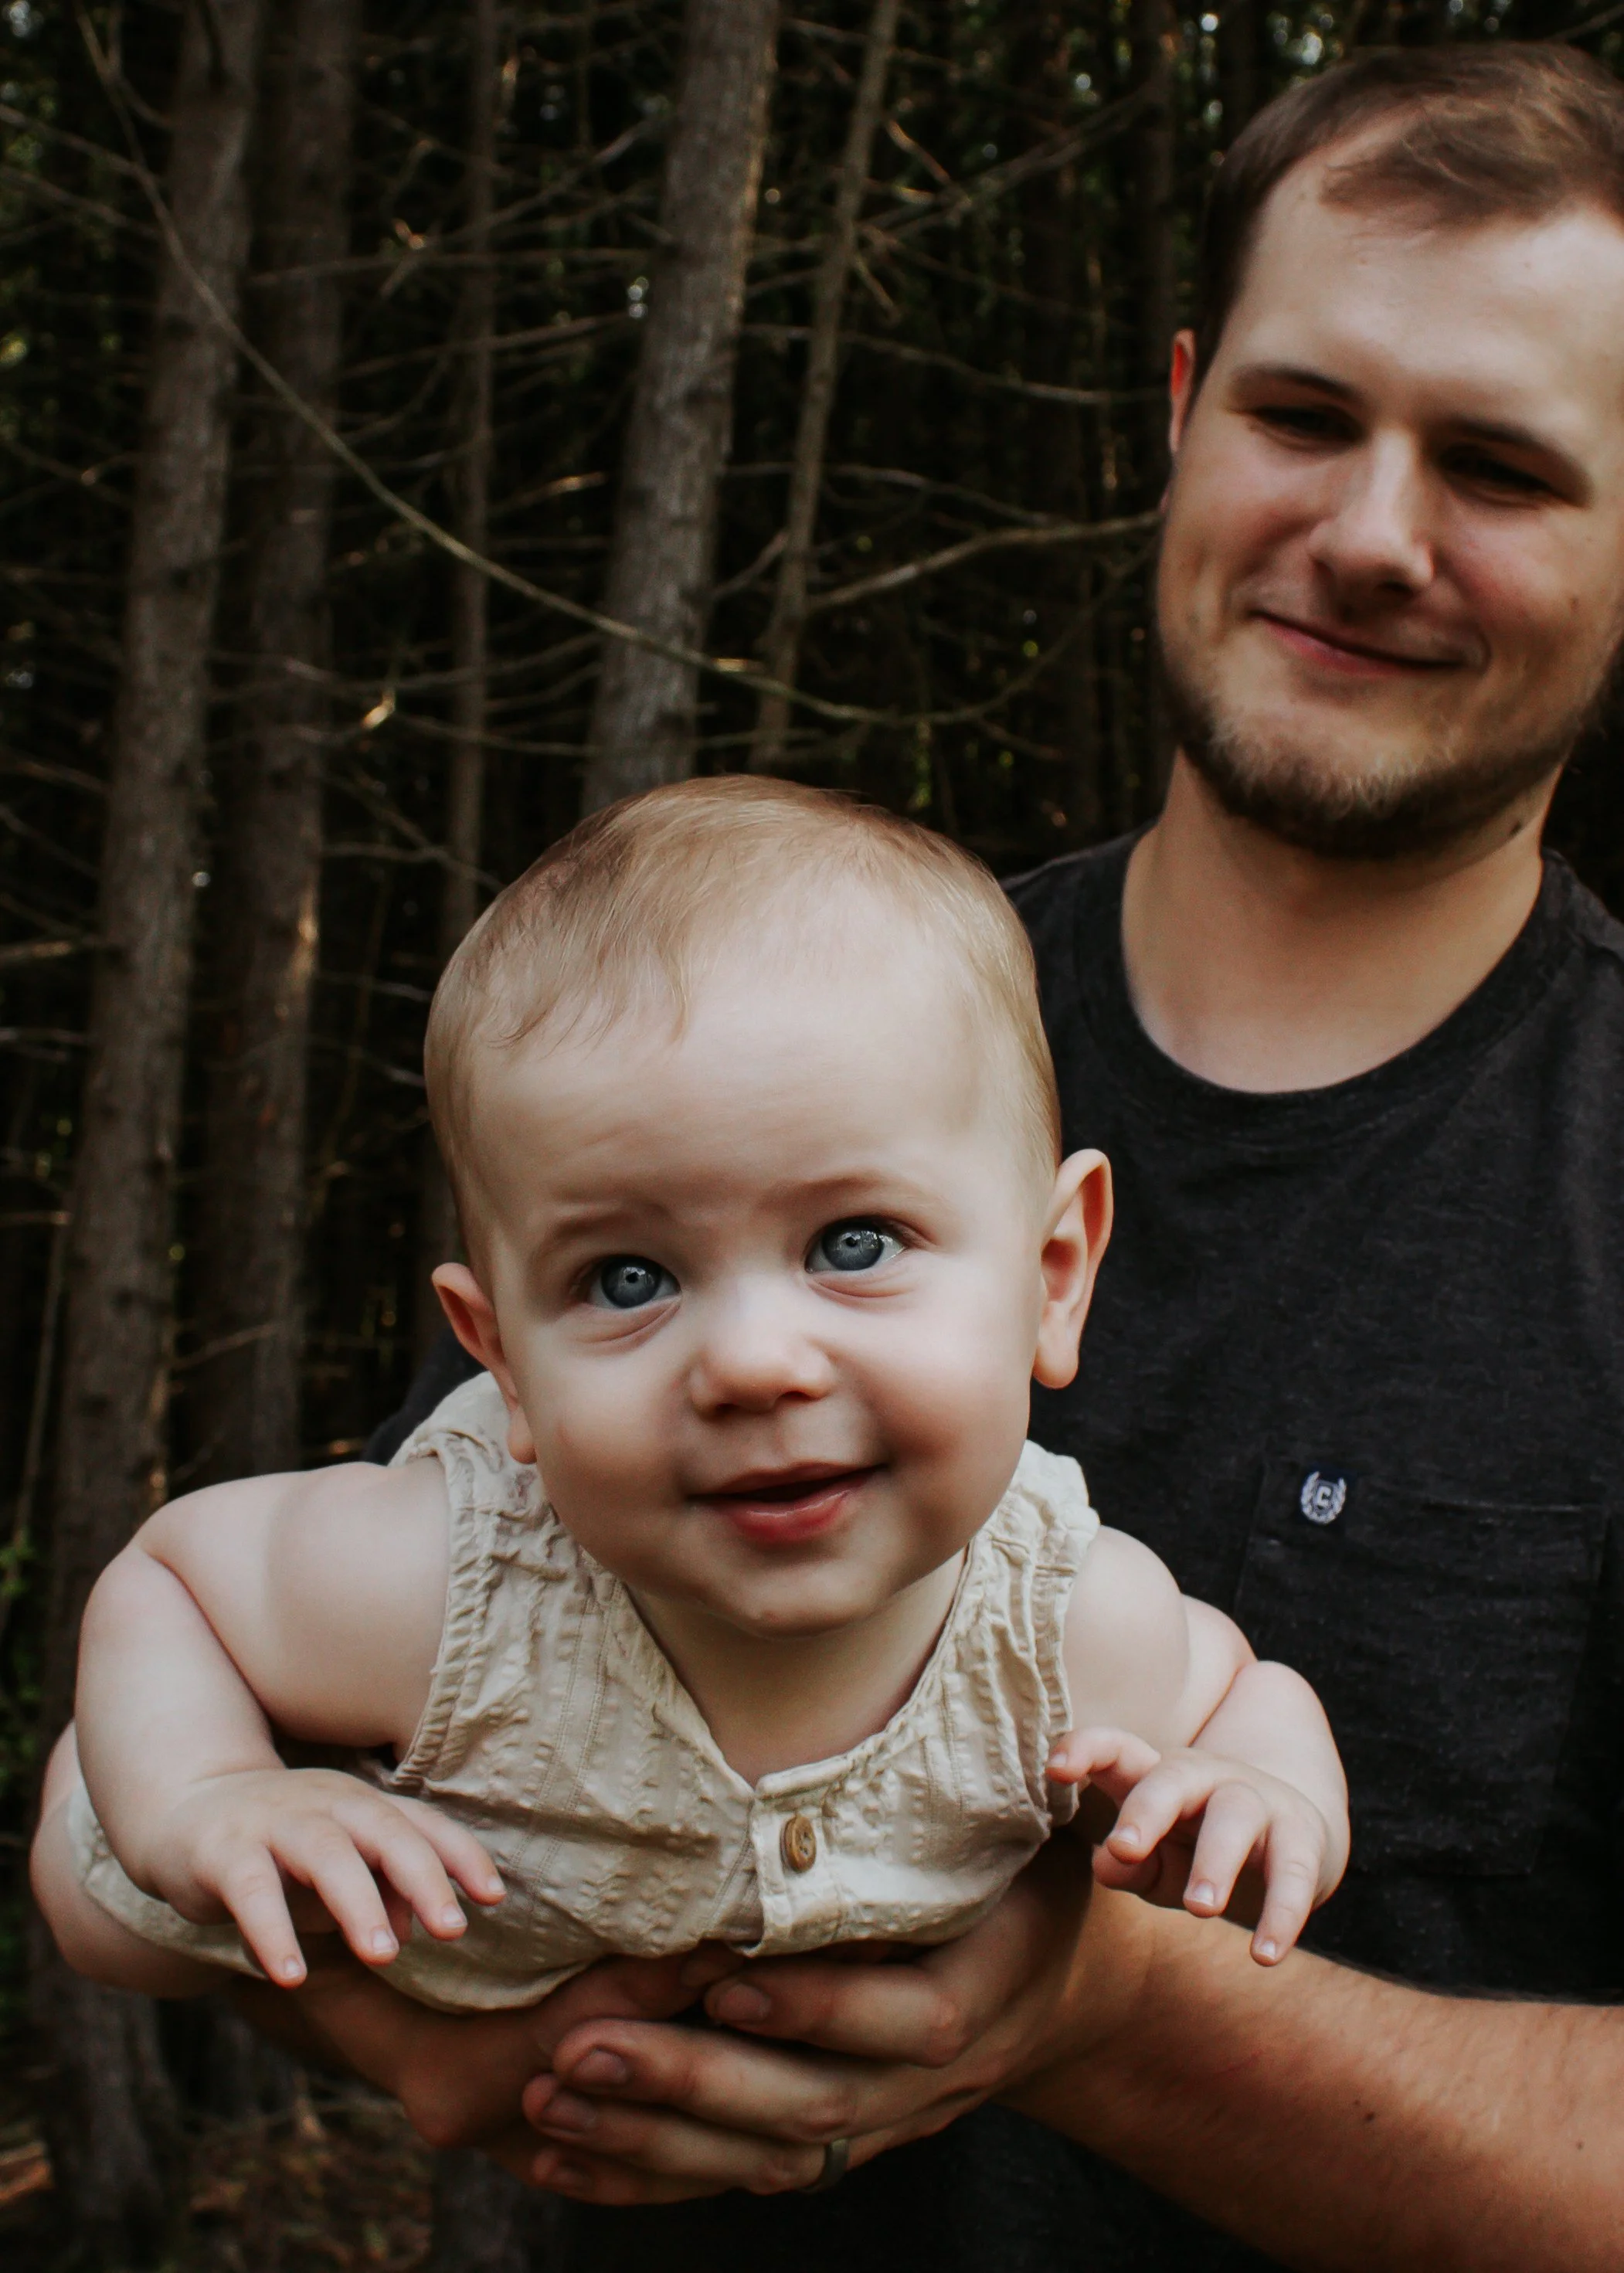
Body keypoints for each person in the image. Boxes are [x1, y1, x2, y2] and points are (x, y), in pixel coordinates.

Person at [56, 39, 1624, 2273]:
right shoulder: (796, 1035)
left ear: (1059, 1261)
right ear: (1179, 405)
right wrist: (370, 1988)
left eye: (1494, 463)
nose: (1366, 531)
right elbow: (260, 1733)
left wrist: (1099, 2013)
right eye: (1300, 414)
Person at [32, 781, 1347, 2022]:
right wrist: (209, 1787)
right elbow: (174, 1581)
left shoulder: (1065, 1631)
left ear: (1052, 1277)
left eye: (854, 1243)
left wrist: (1260, 1791)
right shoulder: (433, 1587)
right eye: (628, 1277)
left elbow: (1245, 1690)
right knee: (117, 1913)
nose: (752, 1364)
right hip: (418, 1949)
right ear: (503, 1361)